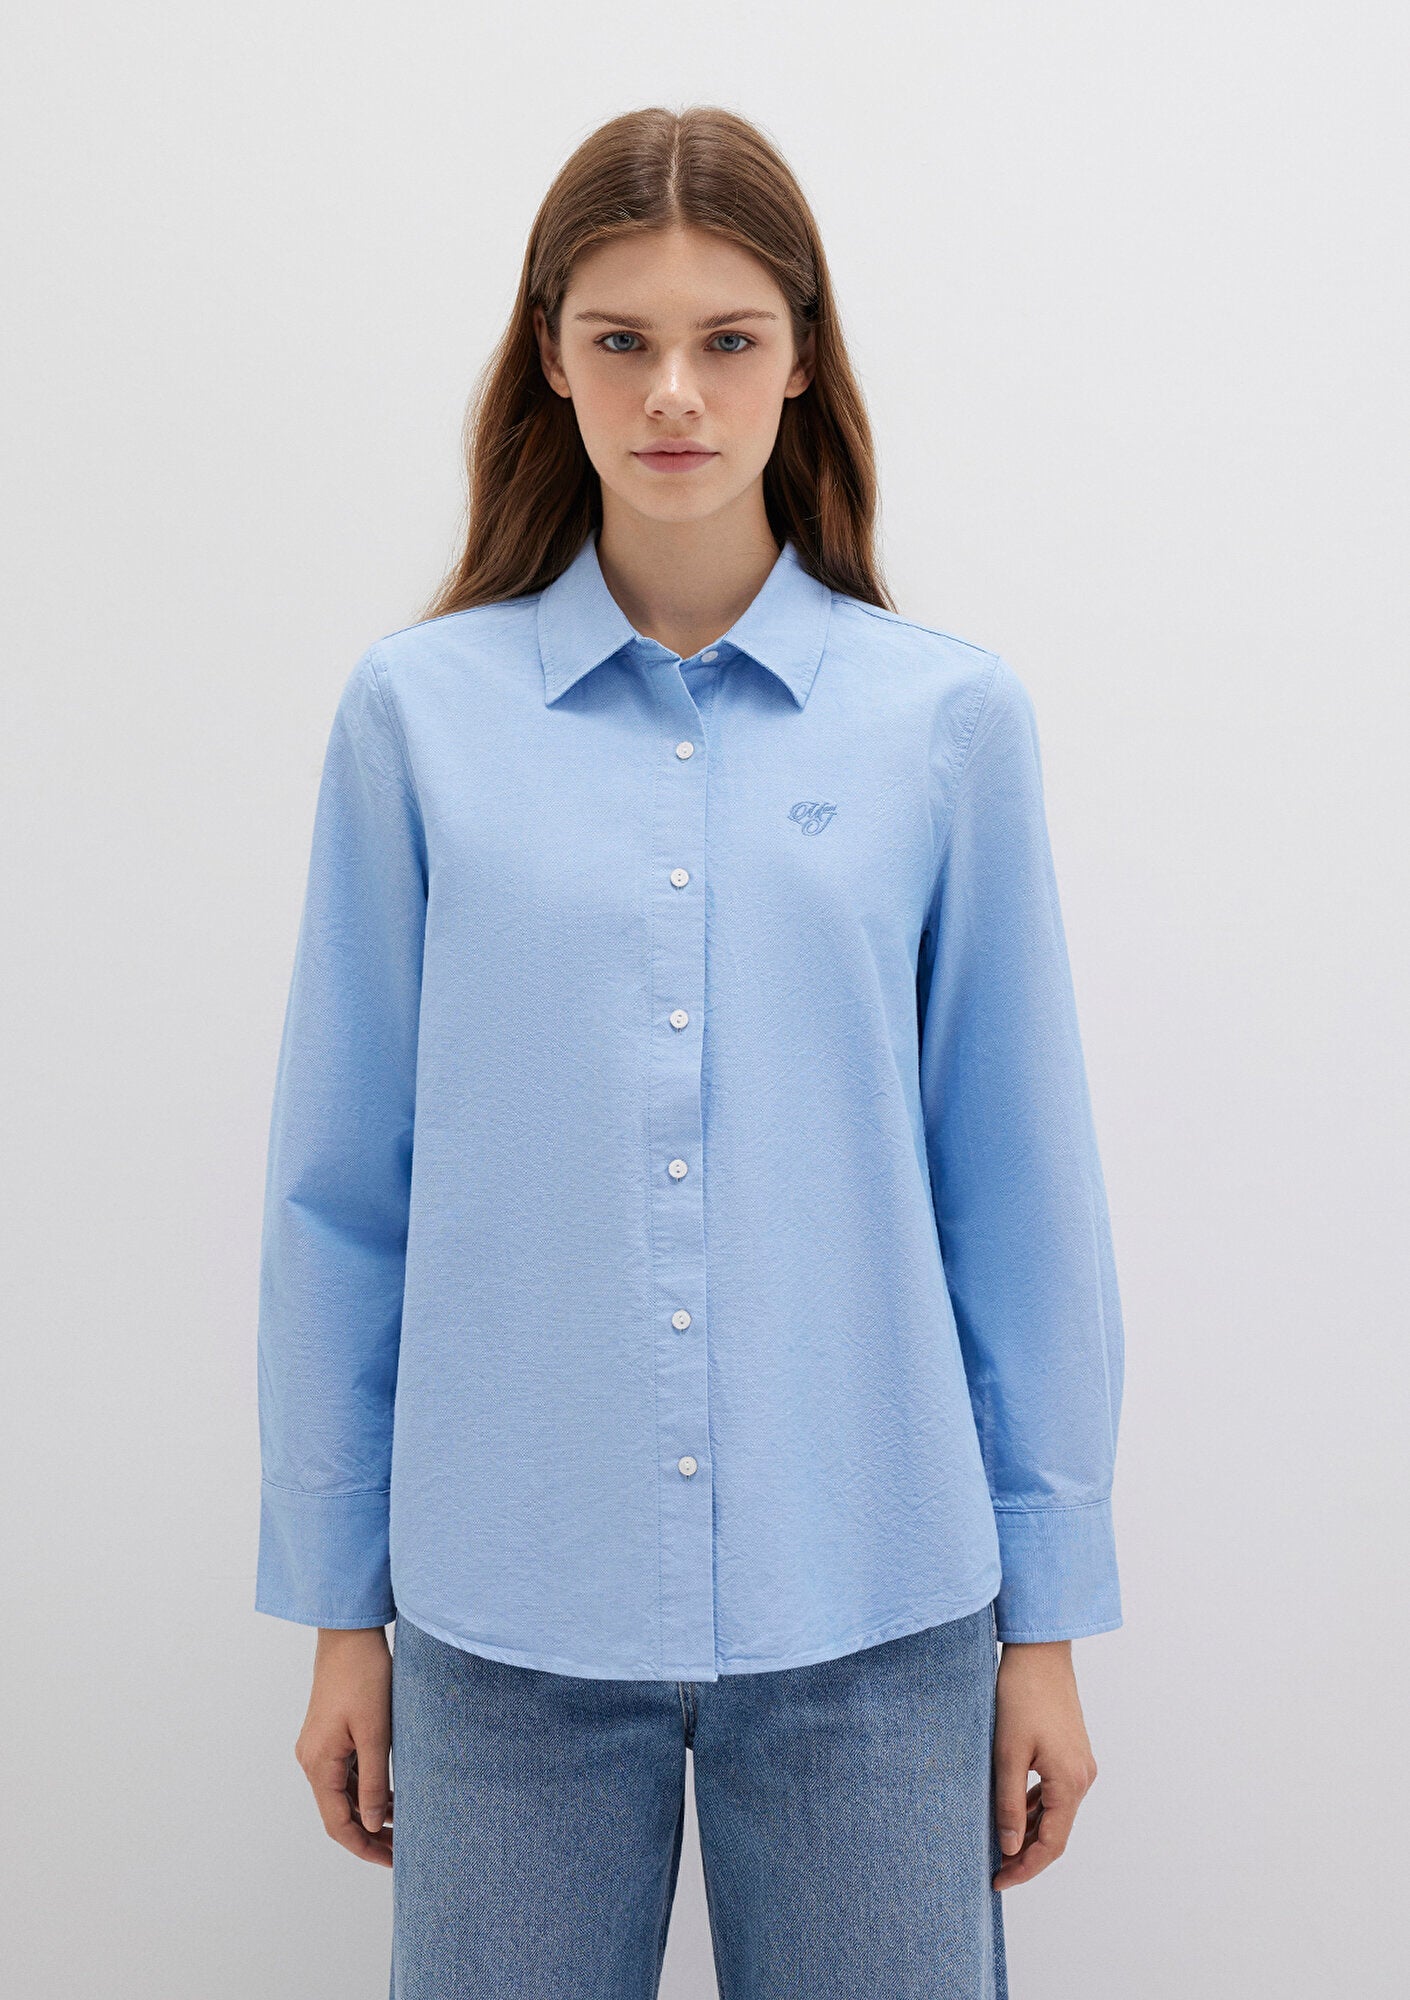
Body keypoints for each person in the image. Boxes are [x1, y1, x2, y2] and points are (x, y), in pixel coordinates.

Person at [254, 103, 1125, 2000]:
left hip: (872, 1607)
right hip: (503, 1619)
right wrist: (340, 1614)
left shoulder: (945, 725)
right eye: (621, 339)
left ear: (800, 359)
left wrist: (1044, 1626)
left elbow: (1017, 1197)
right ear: (549, 357)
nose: (673, 393)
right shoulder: (416, 717)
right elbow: (342, 1192)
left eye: (727, 338)